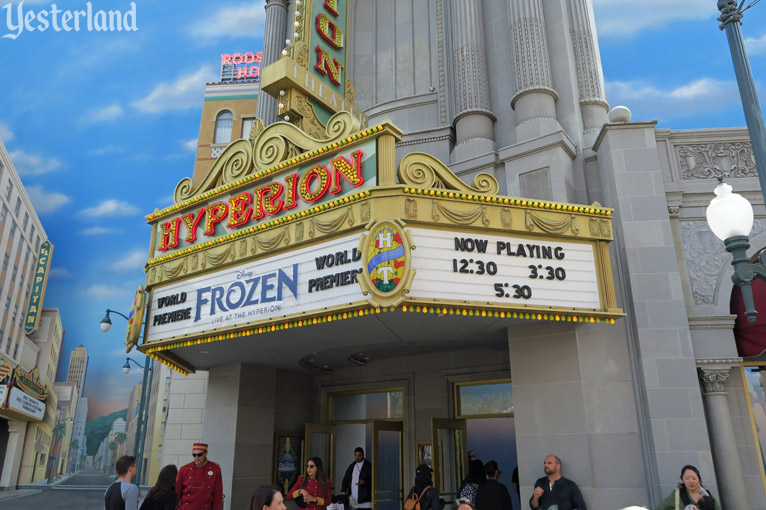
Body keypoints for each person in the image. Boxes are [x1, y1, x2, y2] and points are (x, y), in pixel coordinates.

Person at [176, 442, 223, 510]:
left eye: (199, 454)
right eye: (194, 455)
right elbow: (177, 494)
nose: (196, 458)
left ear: (206, 453)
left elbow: (217, 495)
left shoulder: (215, 469)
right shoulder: (184, 470)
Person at [655, 465, 722, 510]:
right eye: (687, 478)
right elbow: (660, 508)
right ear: (682, 479)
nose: (690, 481)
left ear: (699, 479)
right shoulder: (677, 494)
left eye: (694, 478)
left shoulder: (706, 494)